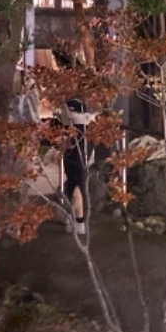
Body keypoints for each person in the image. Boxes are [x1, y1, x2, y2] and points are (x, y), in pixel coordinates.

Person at [61, 95, 94, 236]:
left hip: (75, 146)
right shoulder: (82, 106)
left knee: (76, 181)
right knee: (76, 181)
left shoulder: (70, 106)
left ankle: (77, 219)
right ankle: (76, 218)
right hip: (78, 145)